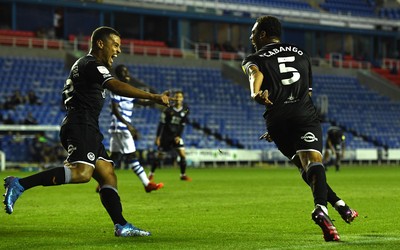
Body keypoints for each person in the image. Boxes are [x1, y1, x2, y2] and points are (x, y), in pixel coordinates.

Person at [3, 26, 172, 237]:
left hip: (86, 125)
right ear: (101, 43)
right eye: (116, 45)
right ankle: (19, 184)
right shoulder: (92, 64)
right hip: (80, 124)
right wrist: (154, 97)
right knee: (82, 174)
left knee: (108, 174)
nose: (118, 50)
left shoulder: (85, 65)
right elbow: (116, 86)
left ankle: (121, 224)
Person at [243, 16, 358, 242]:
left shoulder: (253, 57)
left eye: (254, 32)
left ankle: (340, 205)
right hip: (303, 115)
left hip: (276, 120)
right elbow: (308, 92)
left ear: (263, 34)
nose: (251, 36)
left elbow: (256, 74)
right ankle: (321, 209)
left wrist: (256, 94)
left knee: (306, 169)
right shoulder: (301, 53)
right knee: (314, 163)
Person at [107, 64, 164, 193]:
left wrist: (158, 98)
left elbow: (143, 102)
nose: (127, 74)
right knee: (132, 156)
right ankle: (147, 184)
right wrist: (129, 126)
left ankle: (103, 182)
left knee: (115, 157)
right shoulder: (117, 88)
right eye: (123, 72)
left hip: (117, 128)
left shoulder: (128, 91)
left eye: (127, 72)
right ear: (118, 75)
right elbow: (115, 110)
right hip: (121, 127)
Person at [148, 91, 191, 181]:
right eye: (176, 97)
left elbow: (182, 124)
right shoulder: (168, 110)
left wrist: (179, 136)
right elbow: (161, 123)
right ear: (174, 98)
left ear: (182, 98)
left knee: (183, 155)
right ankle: (151, 173)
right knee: (160, 156)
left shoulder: (186, 109)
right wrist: (157, 137)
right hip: (166, 136)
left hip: (176, 136)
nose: (178, 98)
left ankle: (183, 175)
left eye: (180, 97)